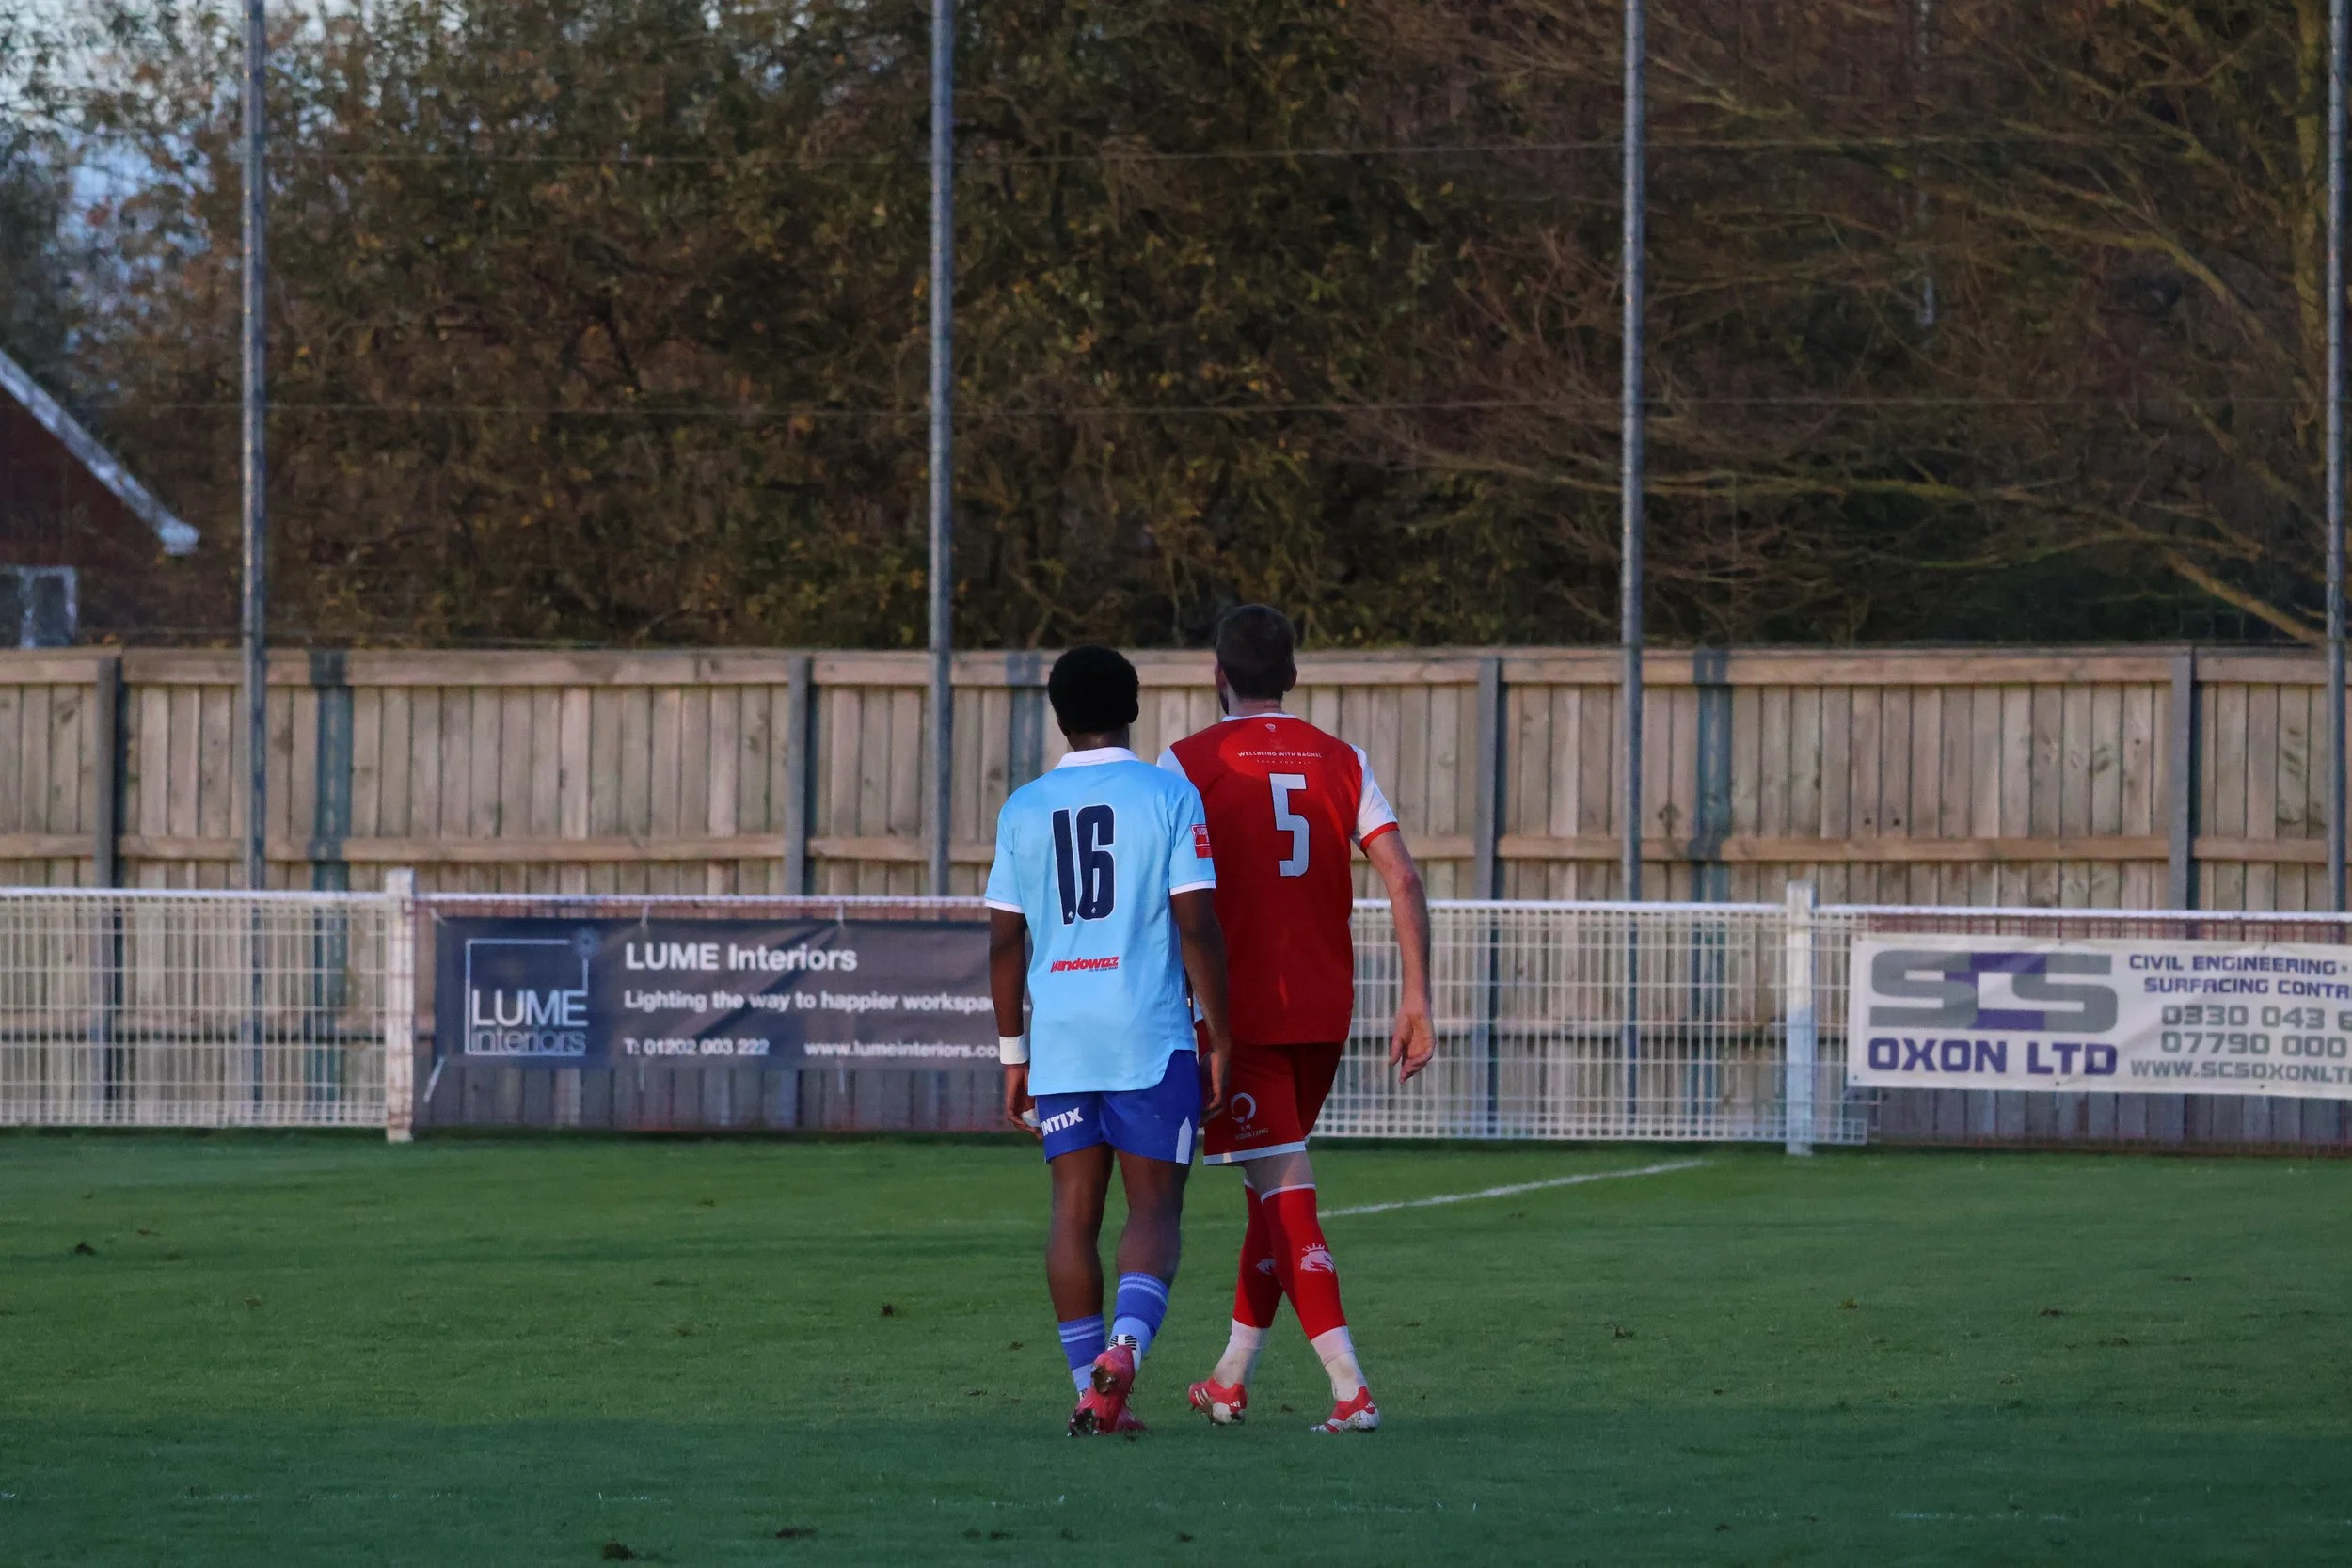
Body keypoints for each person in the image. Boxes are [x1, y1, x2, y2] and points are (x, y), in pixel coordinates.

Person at [1158, 605, 1436, 1435]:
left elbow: (1166, 894)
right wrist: (1416, 995)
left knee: (1283, 1192)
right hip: (1327, 1011)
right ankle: (1229, 1378)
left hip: (1241, 1018)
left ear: (1217, 675)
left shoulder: (1186, 761)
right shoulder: (1341, 759)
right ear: (1293, 676)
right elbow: (1402, 875)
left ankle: (1351, 1389)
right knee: (1269, 1192)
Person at [986, 644, 1235, 1436]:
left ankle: (1090, 1391)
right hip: (1148, 1032)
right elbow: (1197, 921)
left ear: (1057, 716)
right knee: (1155, 1204)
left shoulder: (1023, 807)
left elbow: (1003, 942)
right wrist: (1219, 1033)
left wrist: (1011, 1054)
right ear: (1134, 705)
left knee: (1073, 1210)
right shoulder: (1170, 794)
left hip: (1060, 1035)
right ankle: (1125, 1350)